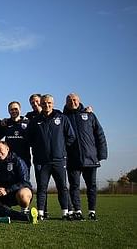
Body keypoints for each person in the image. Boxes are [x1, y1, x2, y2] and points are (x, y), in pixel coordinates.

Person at [27, 94, 76, 220]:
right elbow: (29, 138)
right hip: (41, 161)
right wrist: (39, 148)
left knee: (62, 187)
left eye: (49, 103)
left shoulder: (62, 118)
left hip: (59, 159)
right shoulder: (35, 120)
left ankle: (65, 213)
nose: (46, 105)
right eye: (43, 103)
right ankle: (41, 213)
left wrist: (61, 148)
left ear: (53, 104)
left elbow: (71, 136)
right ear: (40, 104)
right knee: (42, 188)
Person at [64, 93, 108, 221]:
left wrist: (102, 154)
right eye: (70, 100)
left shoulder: (89, 115)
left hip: (90, 158)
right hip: (73, 158)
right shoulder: (63, 117)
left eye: (75, 100)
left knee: (92, 186)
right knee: (74, 186)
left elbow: (100, 134)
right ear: (66, 102)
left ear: (79, 101)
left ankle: (92, 211)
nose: (73, 102)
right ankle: (77, 211)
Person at [0, 142, 34, 214]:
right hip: (2, 194)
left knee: (23, 194)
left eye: (0, 149)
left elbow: (25, 182)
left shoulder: (18, 161)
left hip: (16, 192)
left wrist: (7, 190)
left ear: (7, 149)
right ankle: (5, 209)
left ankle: (25, 209)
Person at [3, 101, 31, 177]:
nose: (14, 111)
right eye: (11, 109)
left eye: (16, 109)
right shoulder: (5, 123)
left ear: (20, 109)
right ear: (8, 111)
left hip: (24, 159)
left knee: (24, 183)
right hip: (9, 160)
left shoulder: (28, 123)